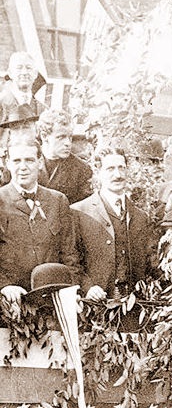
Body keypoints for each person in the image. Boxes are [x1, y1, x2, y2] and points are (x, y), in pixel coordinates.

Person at [0, 133, 80, 314]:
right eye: (16, 160)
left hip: (53, 303)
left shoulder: (57, 201)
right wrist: (4, 286)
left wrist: (73, 290)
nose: (23, 167)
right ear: (7, 163)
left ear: (39, 162)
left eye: (29, 160)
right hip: (10, 303)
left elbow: (69, 254)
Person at [72, 147, 158, 299]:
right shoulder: (79, 212)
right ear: (98, 173)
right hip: (96, 304)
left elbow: (151, 263)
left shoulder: (141, 217)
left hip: (135, 306)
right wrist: (88, 288)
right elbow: (70, 260)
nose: (117, 175)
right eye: (110, 169)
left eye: (121, 168)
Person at [37, 109, 93, 204]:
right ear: (44, 136)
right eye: (61, 137)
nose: (68, 143)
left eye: (70, 137)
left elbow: (83, 209)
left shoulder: (81, 169)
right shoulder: (27, 161)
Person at [0, 53, 45, 127]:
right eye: (19, 68)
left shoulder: (43, 110)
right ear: (10, 73)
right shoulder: (1, 104)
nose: (24, 72)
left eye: (29, 68)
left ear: (35, 73)